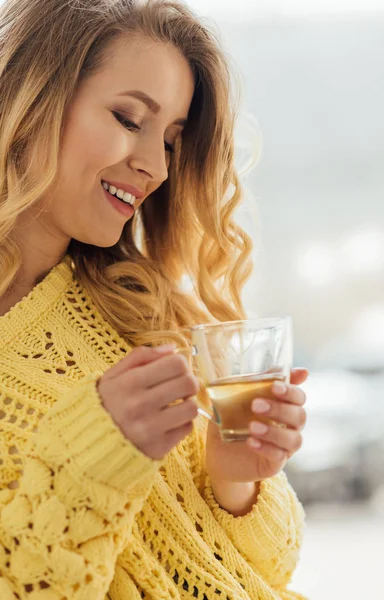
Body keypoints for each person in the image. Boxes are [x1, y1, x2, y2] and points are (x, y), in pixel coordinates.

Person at [0, 0, 309, 598]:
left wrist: (235, 479)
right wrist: (91, 459)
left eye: (170, 140)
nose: (155, 168)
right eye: (127, 117)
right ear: (31, 98)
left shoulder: (137, 312)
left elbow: (267, 572)